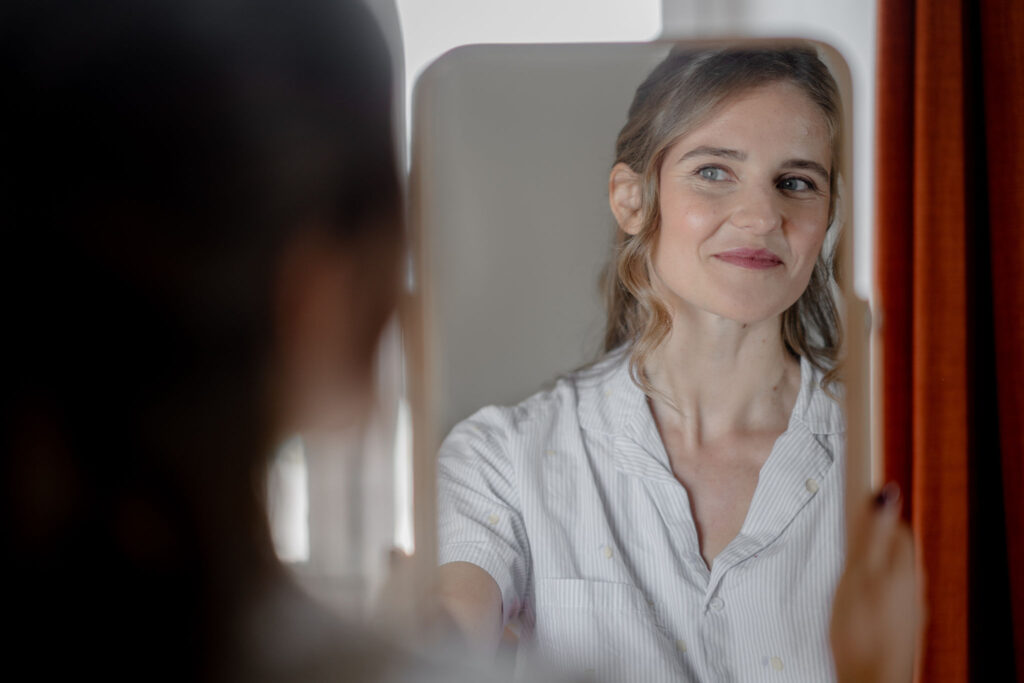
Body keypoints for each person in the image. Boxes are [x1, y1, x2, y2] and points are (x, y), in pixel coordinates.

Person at [435, 45, 853, 681]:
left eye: (796, 182)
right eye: (714, 171)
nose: (762, 216)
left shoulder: (890, 458)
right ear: (632, 200)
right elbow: (439, 633)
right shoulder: (501, 460)